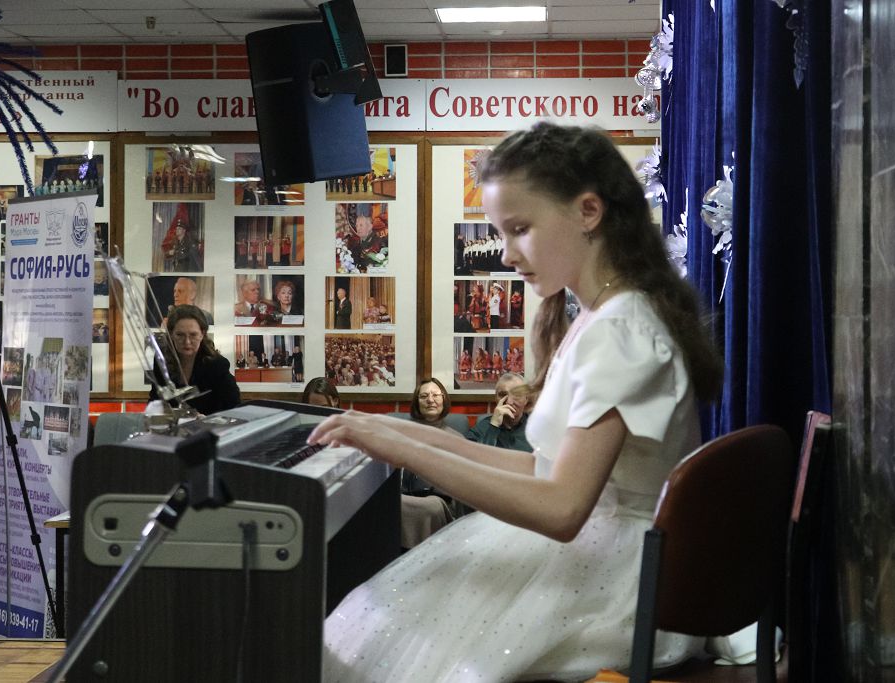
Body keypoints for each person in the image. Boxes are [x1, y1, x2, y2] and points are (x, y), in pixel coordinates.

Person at [309, 122, 724, 681]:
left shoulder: (622, 332)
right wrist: (404, 434)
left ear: (588, 211)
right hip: (610, 556)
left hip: (621, 582)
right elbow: (542, 468)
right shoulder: (602, 317)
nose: (506, 254)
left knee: (379, 629)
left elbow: (561, 509)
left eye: (520, 230)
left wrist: (406, 450)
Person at [399, 378, 463, 548]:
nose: (430, 400)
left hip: (440, 501)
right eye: (424, 396)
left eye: (435, 395)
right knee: (390, 503)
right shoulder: (401, 434)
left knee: (431, 507)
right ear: (417, 402)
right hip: (404, 495)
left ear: (443, 399)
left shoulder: (456, 439)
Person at [150, 305, 240, 416]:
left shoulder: (217, 365)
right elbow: (155, 400)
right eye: (180, 335)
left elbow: (234, 407)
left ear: (202, 334)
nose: (187, 342)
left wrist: (207, 419)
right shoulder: (161, 361)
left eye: (193, 335)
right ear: (171, 334)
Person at [467, 372, 533, 452]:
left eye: (517, 395)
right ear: (496, 399)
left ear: (526, 399)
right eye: (503, 395)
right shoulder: (482, 428)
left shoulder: (536, 427)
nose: (509, 402)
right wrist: (493, 426)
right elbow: (471, 456)